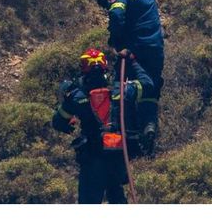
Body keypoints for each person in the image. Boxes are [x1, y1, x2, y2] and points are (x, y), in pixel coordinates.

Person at [51, 47, 154, 204]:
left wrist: (70, 125)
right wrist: (132, 61)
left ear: (83, 67)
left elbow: (58, 122)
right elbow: (147, 84)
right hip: (118, 159)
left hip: (92, 161)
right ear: (105, 66)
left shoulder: (76, 96)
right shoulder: (123, 90)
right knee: (117, 198)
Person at [101, 0, 163, 153]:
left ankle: (117, 141)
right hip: (155, 49)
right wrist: (103, 1)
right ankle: (148, 127)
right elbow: (133, 11)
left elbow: (118, 15)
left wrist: (117, 43)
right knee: (152, 89)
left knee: (121, 89)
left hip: (133, 50)